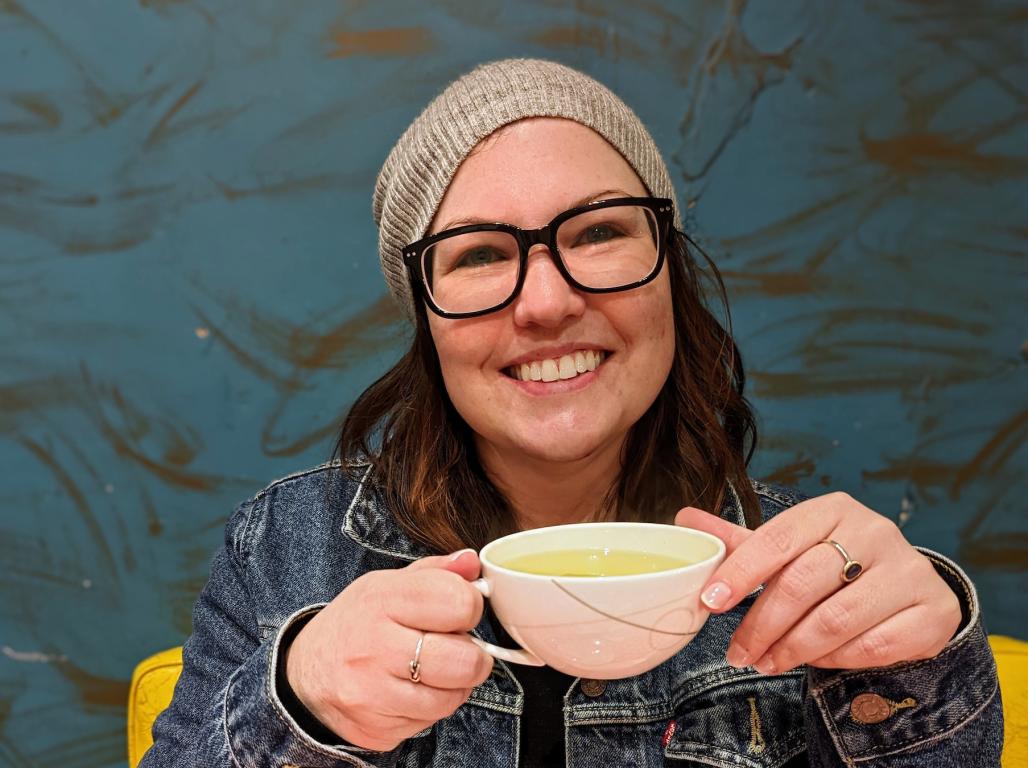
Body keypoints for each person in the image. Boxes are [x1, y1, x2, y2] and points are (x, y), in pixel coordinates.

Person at [141, 59, 1002, 768]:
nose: (547, 303)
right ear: (426, 318)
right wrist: (298, 704)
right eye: (480, 255)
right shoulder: (285, 551)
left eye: (597, 234)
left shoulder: (805, 583)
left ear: (668, 269)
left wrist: (919, 667)